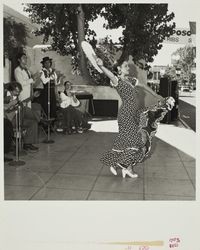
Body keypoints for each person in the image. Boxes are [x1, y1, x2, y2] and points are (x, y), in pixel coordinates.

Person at [96, 56, 175, 178]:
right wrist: (101, 66)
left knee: (128, 141)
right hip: (126, 115)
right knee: (137, 141)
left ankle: (127, 168)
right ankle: (120, 163)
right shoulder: (118, 81)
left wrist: (156, 95)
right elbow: (111, 75)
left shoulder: (130, 80)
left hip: (136, 113)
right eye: (125, 66)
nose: (128, 67)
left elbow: (143, 86)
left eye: (128, 65)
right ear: (119, 69)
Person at [4, 81, 39, 152]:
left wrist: (32, 96)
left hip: (18, 118)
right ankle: (40, 119)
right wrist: (11, 105)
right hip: (10, 121)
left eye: (19, 91)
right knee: (23, 108)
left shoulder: (14, 96)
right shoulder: (4, 96)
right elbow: (4, 109)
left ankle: (27, 144)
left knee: (33, 123)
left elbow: (22, 102)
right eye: (16, 91)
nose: (18, 93)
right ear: (10, 90)